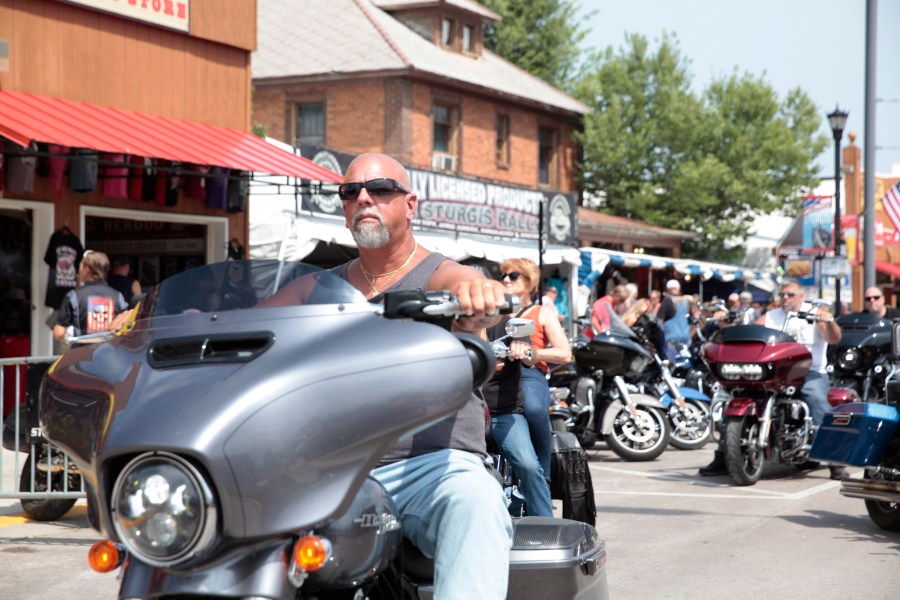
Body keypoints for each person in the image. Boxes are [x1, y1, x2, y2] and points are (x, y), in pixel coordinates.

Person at [261, 152, 512, 598]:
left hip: (428, 465)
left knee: (474, 502)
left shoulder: (435, 273)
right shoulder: (317, 287)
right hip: (326, 471)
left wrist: (477, 293)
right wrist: (143, 324)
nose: (363, 198)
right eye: (350, 191)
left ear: (410, 204)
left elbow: (463, 283)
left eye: (379, 190)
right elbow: (248, 324)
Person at [699, 278, 846, 479]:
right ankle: (723, 455)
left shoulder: (814, 313)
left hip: (809, 371)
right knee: (734, 397)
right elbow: (751, 331)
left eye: (790, 294)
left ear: (801, 296)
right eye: (782, 294)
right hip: (777, 373)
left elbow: (834, 338)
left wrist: (827, 321)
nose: (785, 298)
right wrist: (727, 321)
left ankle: (835, 461)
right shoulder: (771, 316)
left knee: (816, 399)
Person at [498, 257, 572, 490]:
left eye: (513, 275)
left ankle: (544, 472)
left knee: (533, 408)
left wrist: (533, 352)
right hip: (495, 372)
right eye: (503, 275)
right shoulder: (494, 311)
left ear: (530, 281)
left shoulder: (541, 312)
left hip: (528, 372)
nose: (506, 280)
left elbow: (564, 353)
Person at [485, 314, 554, 518]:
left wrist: (524, 350)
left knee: (528, 465)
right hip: (464, 413)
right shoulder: (454, 326)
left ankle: (546, 525)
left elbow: (530, 358)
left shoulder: (506, 325)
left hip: (503, 413)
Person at [53, 250, 128, 344]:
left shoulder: (74, 296)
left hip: (82, 354)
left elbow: (59, 333)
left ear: (86, 268)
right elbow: (127, 326)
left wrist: (68, 332)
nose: (78, 271)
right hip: (111, 352)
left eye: (80, 267)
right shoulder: (118, 296)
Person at [658, 279, 693, 358]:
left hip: (671, 340)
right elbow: (692, 321)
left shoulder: (667, 300)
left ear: (667, 289)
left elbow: (659, 320)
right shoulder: (686, 301)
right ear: (679, 289)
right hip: (686, 340)